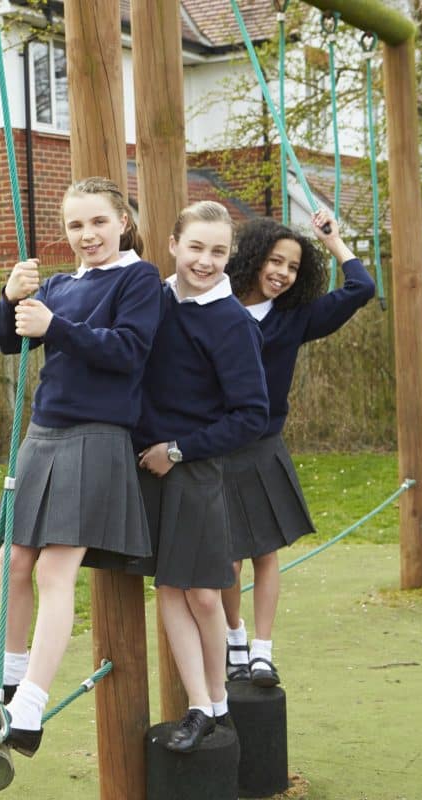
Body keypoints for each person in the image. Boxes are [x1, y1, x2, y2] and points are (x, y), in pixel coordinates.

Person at [0, 177, 160, 756]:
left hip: (96, 437)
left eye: (97, 222)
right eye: (75, 225)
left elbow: (128, 351)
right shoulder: (61, 284)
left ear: (123, 221)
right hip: (45, 433)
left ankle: (31, 710)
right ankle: (11, 678)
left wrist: (55, 327)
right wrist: (10, 301)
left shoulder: (139, 279)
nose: (87, 234)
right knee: (13, 559)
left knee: (54, 572)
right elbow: (13, 344)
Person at [133, 200, 268, 753]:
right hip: (145, 467)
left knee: (205, 596)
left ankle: (216, 701)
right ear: (172, 245)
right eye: (196, 247)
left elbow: (252, 414)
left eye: (218, 251)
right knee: (169, 588)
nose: (205, 261)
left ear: (230, 256)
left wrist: (180, 450)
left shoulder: (232, 322)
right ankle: (200, 704)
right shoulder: (151, 299)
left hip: (193, 467)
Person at [221, 209, 375, 687]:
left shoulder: (294, 319)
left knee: (265, 553)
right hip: (217, 446)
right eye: (274, 261)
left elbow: (361, 289)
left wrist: (332, 241)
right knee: (226, 557)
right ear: (252, 260)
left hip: (263, 447)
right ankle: (235, 641)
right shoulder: (214, 306)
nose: (282, 274)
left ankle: (263, 652)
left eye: (291, 267)